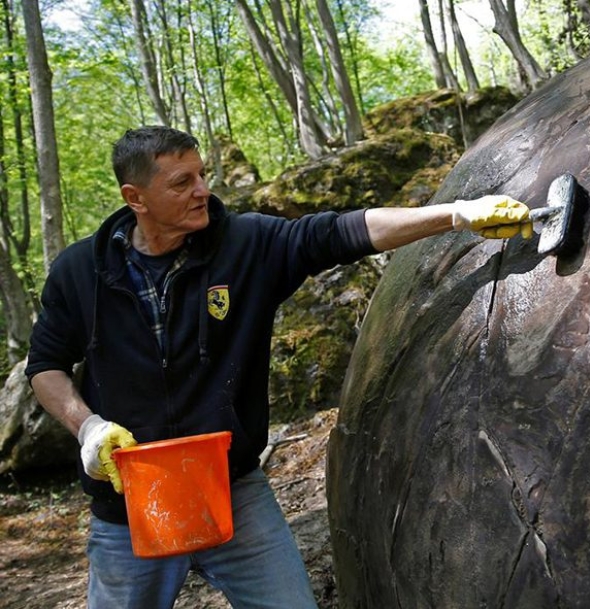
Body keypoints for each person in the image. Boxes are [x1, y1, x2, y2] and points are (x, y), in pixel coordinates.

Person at [25, 126, 531, 608]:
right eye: (182, 182)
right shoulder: (79, 272)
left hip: (233, 489)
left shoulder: (245, 244)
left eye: (202, 174)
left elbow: (343, 231)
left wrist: (457, 215)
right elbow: (45, 365)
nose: (202, 190)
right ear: (135, 198)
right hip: (128, 507)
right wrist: (86, 426)